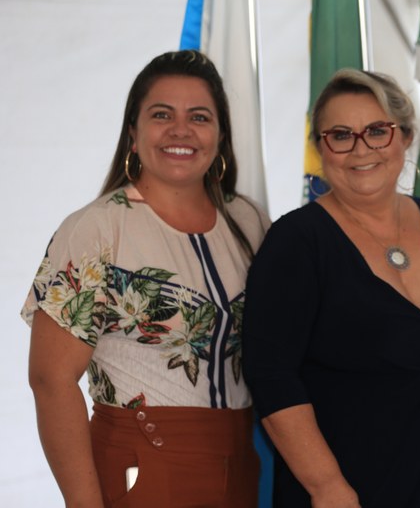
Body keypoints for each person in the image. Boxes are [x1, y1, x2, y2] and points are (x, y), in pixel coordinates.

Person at [24, 50, 269, 507]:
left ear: (221, 136)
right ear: (133, 134)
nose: (181, 130)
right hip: (140, 468)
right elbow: (50, 379)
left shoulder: (250, 222)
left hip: (242, 469)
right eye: (162, 115)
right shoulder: (97, 229)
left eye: (199, 117)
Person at [241, 68, 420, 508]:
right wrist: (327, 487)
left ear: (406, 137)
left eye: (377, 131)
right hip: (337, 495)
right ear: (320, 148)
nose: (361, 149)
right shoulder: (296, 242)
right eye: (341, 135)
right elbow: (271, 376)